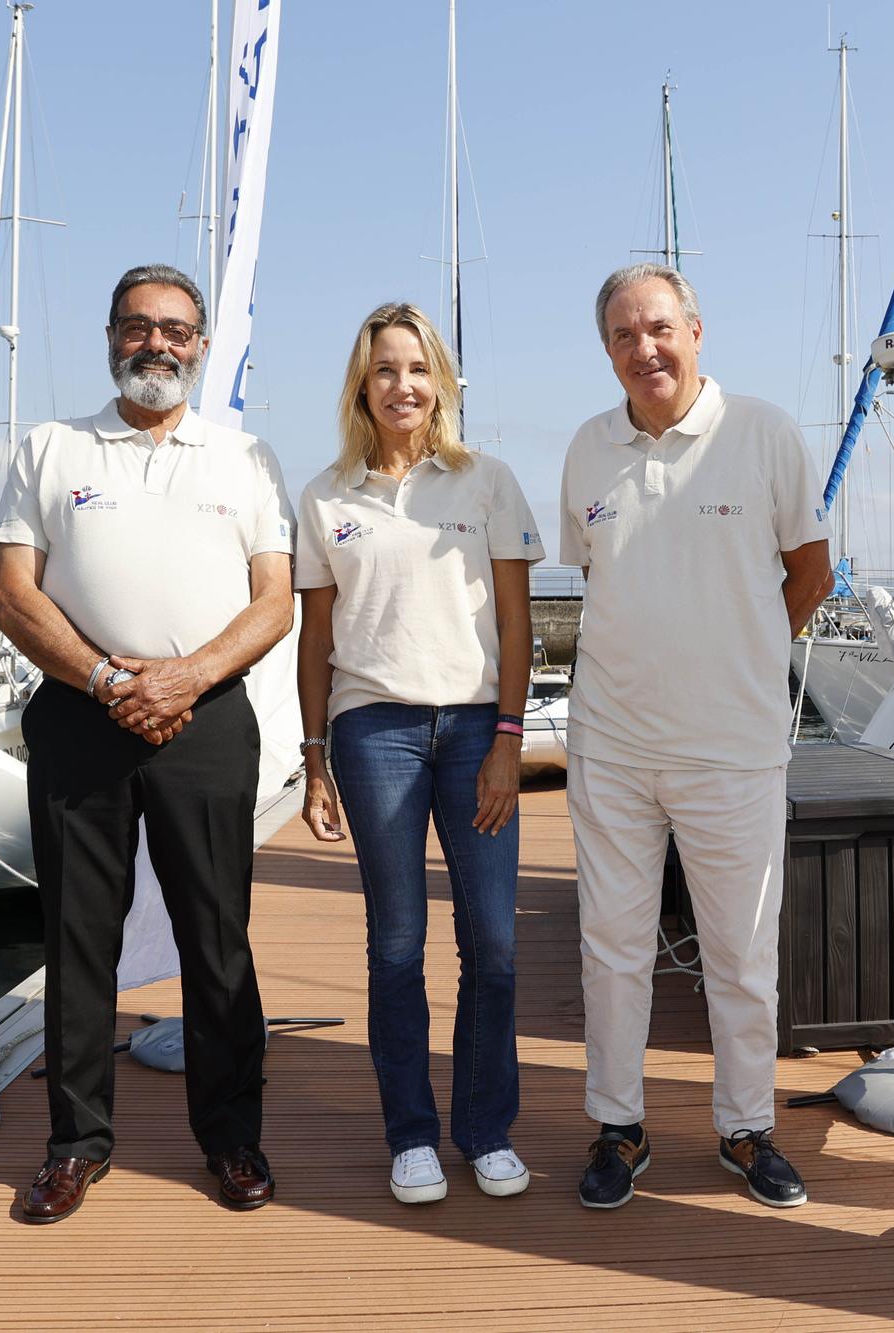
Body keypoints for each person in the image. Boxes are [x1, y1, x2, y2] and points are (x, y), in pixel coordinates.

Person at [0, 263, 296, 1223]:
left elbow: (275, 601)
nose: (155, 343)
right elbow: (13, 596)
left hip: (206, 718)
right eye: (137, 326)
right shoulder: (50, 447)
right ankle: (75, 1144)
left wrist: (182, 678)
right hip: (83, 715)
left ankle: (233, 1139)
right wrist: (113, 680)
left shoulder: (245, 458)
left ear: (200, 344)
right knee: (79, 937)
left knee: (217, 936)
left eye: (175, 329)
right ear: (111, 335)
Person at [560, 263, 834, 1210]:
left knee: (741, 954)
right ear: (609, 352)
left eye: (660, 329)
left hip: (734, 748)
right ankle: (619, 1126)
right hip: (612, 746)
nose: (646, 350)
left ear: (697, 331)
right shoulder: (587, 450)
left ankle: (746, 1128)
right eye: (625, 337)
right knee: (612, 949)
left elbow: (811, 573)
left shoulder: (763, 434)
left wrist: (744, 656)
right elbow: (599, 578)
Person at [294, 302, 543, 1204]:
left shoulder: (487, 482)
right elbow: (315, 638)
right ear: (363, 384)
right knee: (396, 946)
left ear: (441, 382)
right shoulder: (327, 494)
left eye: (418, 368)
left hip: (477, 727)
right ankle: (411, 1135)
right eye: (386, 368)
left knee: (495, 944)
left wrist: (510, 738)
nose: (404, 385)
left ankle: (484, 1130)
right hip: (374, 735)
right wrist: (314, 760)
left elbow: (516, 622)